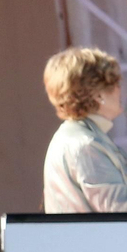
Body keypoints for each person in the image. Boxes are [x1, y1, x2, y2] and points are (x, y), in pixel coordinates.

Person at [41, 47, 127, 213]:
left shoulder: (81, 137)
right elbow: (117, 206)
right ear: (98, 94)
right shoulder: (85, 145)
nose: (120, 89)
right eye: (115, 83)